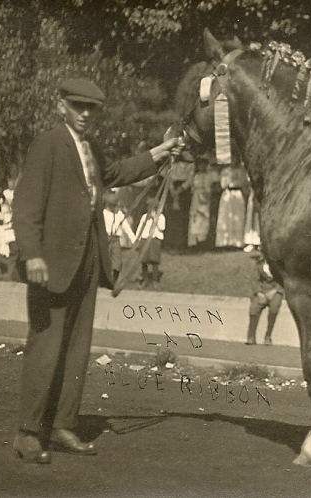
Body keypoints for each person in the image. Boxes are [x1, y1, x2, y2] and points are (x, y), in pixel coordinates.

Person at [12, 78, 183, 464]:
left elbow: (118, 172)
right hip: (51, 264)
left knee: (77, 349)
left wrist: (160, 151)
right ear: (61, 106)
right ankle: (28, 433)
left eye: (91, 108)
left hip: (88, 260)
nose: (86, 114)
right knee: (46, 347)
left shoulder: (90, 146)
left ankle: (61, 426)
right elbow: (25, 205)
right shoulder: (48, 144)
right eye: (78, 106)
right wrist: (32, 255)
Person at [245, 254, 284, 345]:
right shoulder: (259, 264)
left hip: (275, 290)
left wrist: (275, 291)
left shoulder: (279, 265)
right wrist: (259, 293)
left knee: (273, 309)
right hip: (262, 290)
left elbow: (283, 280)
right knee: (253, 309)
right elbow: (255, 280)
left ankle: (268, 336)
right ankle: (251, 337)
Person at [102, 191, 136, 282]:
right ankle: (104, 279)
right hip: (105, 239)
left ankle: (114, 279)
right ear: (106, 205)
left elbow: (126, 227)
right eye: (111, 206)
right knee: (105, 259)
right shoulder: (103, 214)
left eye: (115, 206)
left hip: (116, 240)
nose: (114, 208)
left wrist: (134, 239)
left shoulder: (119, 214)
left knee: (117, 260)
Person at [134, 197, 167, 289]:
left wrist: (155, 219)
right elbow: (140, 227)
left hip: (154, 239)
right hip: (144, 239)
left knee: (154, 260)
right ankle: (145, 280)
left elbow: (162, 228)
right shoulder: (144, 217)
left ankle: (155, 280)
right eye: (148, 207)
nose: (149, 209)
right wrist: (137, 239)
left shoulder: (161, 217)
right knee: (144, 261)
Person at [215, 164, 248, 248]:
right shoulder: (225, 171)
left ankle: (237, 242)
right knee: (225, 215)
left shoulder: (242, 170)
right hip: (227, 194)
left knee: (238, 216)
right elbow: (223, 184)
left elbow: (244, 182)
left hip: (237, 194)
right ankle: (224, 242)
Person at [187, 156, 214, 248]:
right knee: (194, 216)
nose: (201, 167)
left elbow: (208, 189)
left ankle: (202, 240)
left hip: (204, 197)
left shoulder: (208, 176)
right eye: (199, 165)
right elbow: (190, 185)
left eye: (203, 165)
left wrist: (205, 197)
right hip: (195, 197)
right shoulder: (195, 176)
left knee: (203, 216)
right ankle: (193, 241)